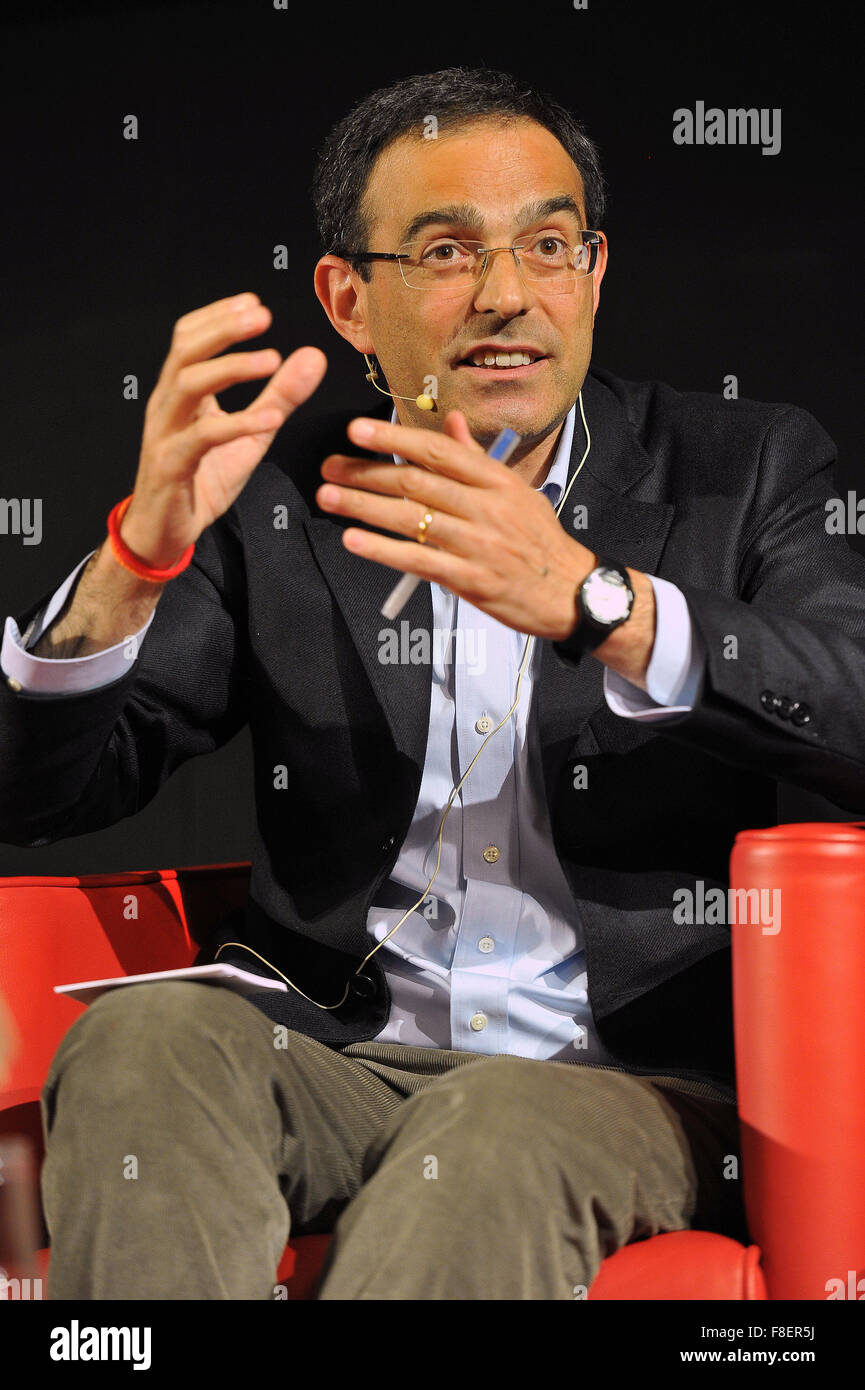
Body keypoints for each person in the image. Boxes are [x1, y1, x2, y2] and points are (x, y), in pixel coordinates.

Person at [1, 66, 864, 1301]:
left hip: (631, 1086)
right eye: (447, 252)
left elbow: (848, 695)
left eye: (548, 246)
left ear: (595, 270)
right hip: (339, 1057)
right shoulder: (279, 492)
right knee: (141, 1040)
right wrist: (135, 564)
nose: (507, 296)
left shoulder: (742, 464)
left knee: (494, 1134)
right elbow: (41, 789)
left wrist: (594, 602)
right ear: (350, 300)